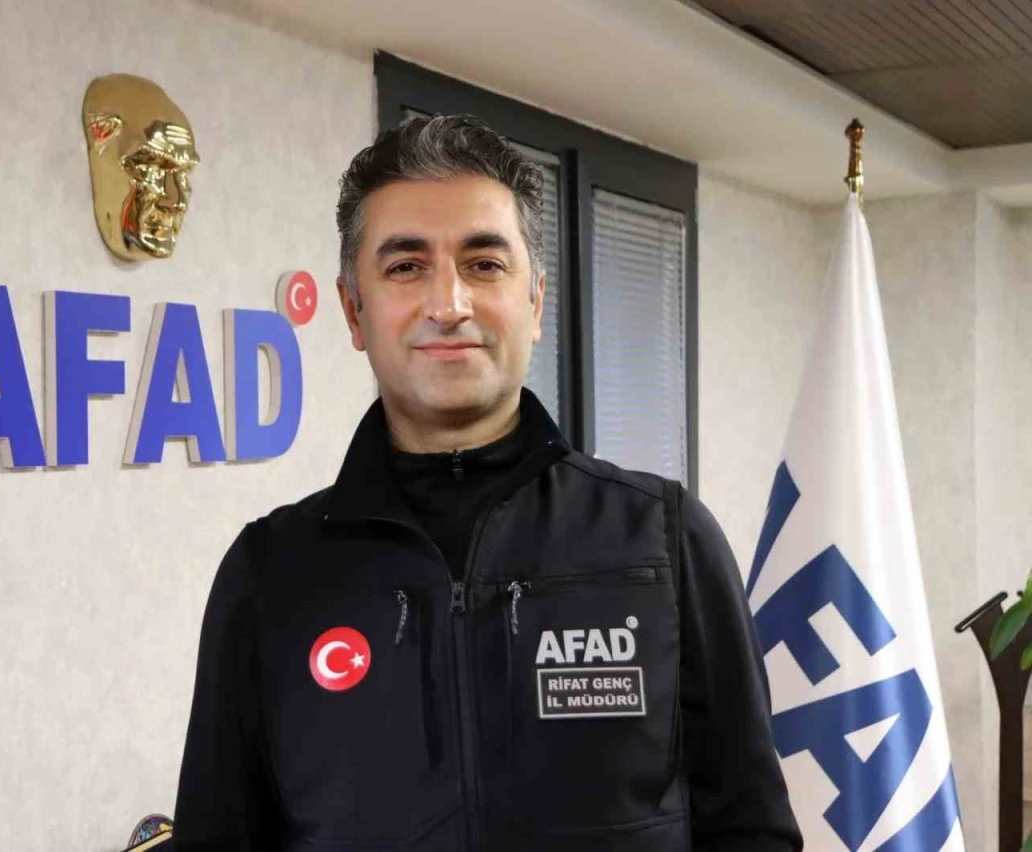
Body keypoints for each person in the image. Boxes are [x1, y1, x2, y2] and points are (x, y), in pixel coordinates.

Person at [167, 115, 802, 851]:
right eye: (406, 267)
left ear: (535, 304)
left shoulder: (664, 540)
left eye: (484, 264)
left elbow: (752, 832)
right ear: (353, 311)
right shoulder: (272, 574)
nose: (449, 305)